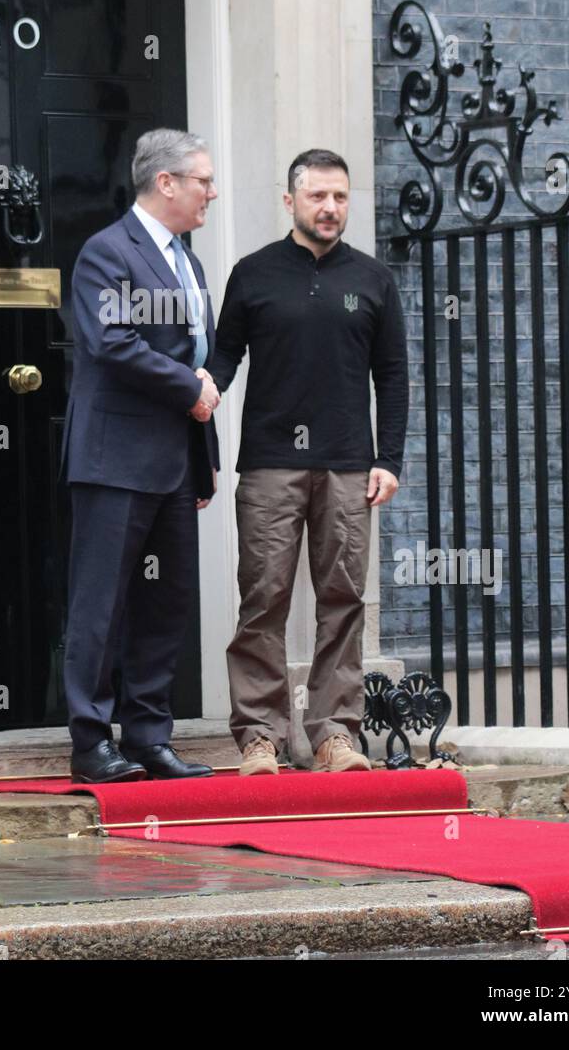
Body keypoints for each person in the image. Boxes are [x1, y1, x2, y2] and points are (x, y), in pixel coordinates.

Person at [207, 149, 409, 776]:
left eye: (340, 197)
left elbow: (394, 374)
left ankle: (335, 735)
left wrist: (389, 458)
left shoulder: (374, 279)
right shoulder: (253, 273)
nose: (330, 208)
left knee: (342, 600)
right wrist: (197, 404)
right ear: (290, 200)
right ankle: (260, 736)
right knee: (263, 598)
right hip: (270, 463)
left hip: (350, 466)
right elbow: (223, 358)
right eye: (318, 196)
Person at [61, 129, 221, 783]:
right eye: (203, 180)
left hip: (175, 462)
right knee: (101, 604)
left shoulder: (189, 261)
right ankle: (91, 741)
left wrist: (202, 456)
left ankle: (149, 735)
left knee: (166, 602)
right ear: (166, 183)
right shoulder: (106, 252)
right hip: (114, 457)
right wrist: (192, 392)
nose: (212, 192)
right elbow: (113, 342)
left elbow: (197, 356)